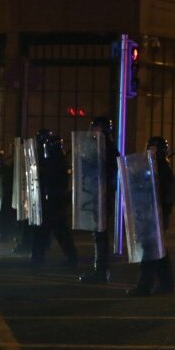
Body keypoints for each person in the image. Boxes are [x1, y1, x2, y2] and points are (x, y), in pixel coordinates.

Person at [126, 136, 175, 296]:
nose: (151, 152)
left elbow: (161, 192)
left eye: (155, 149)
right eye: (150, 148)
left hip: (157, 213)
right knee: (158, 248)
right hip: (149, 211)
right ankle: (167, 283)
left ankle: (144, 286)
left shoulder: (162, 167)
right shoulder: (149, 166)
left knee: (150, 248)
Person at [30, 130, 79, 268]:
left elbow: (55, 179)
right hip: (52, 198)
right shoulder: (53, 160)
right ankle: (40, 256)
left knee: (55, 229)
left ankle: (39, 256)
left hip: (54, 198)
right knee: (55, 229)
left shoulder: (56, 161)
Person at [79, 117, 119, 284]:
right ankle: (101, 270)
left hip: (103, 194)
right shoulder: (102, 147)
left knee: (100, 234)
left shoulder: (106, 149)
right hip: (99, 193)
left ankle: (101, 271)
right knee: (99, 233)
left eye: (95, 127)